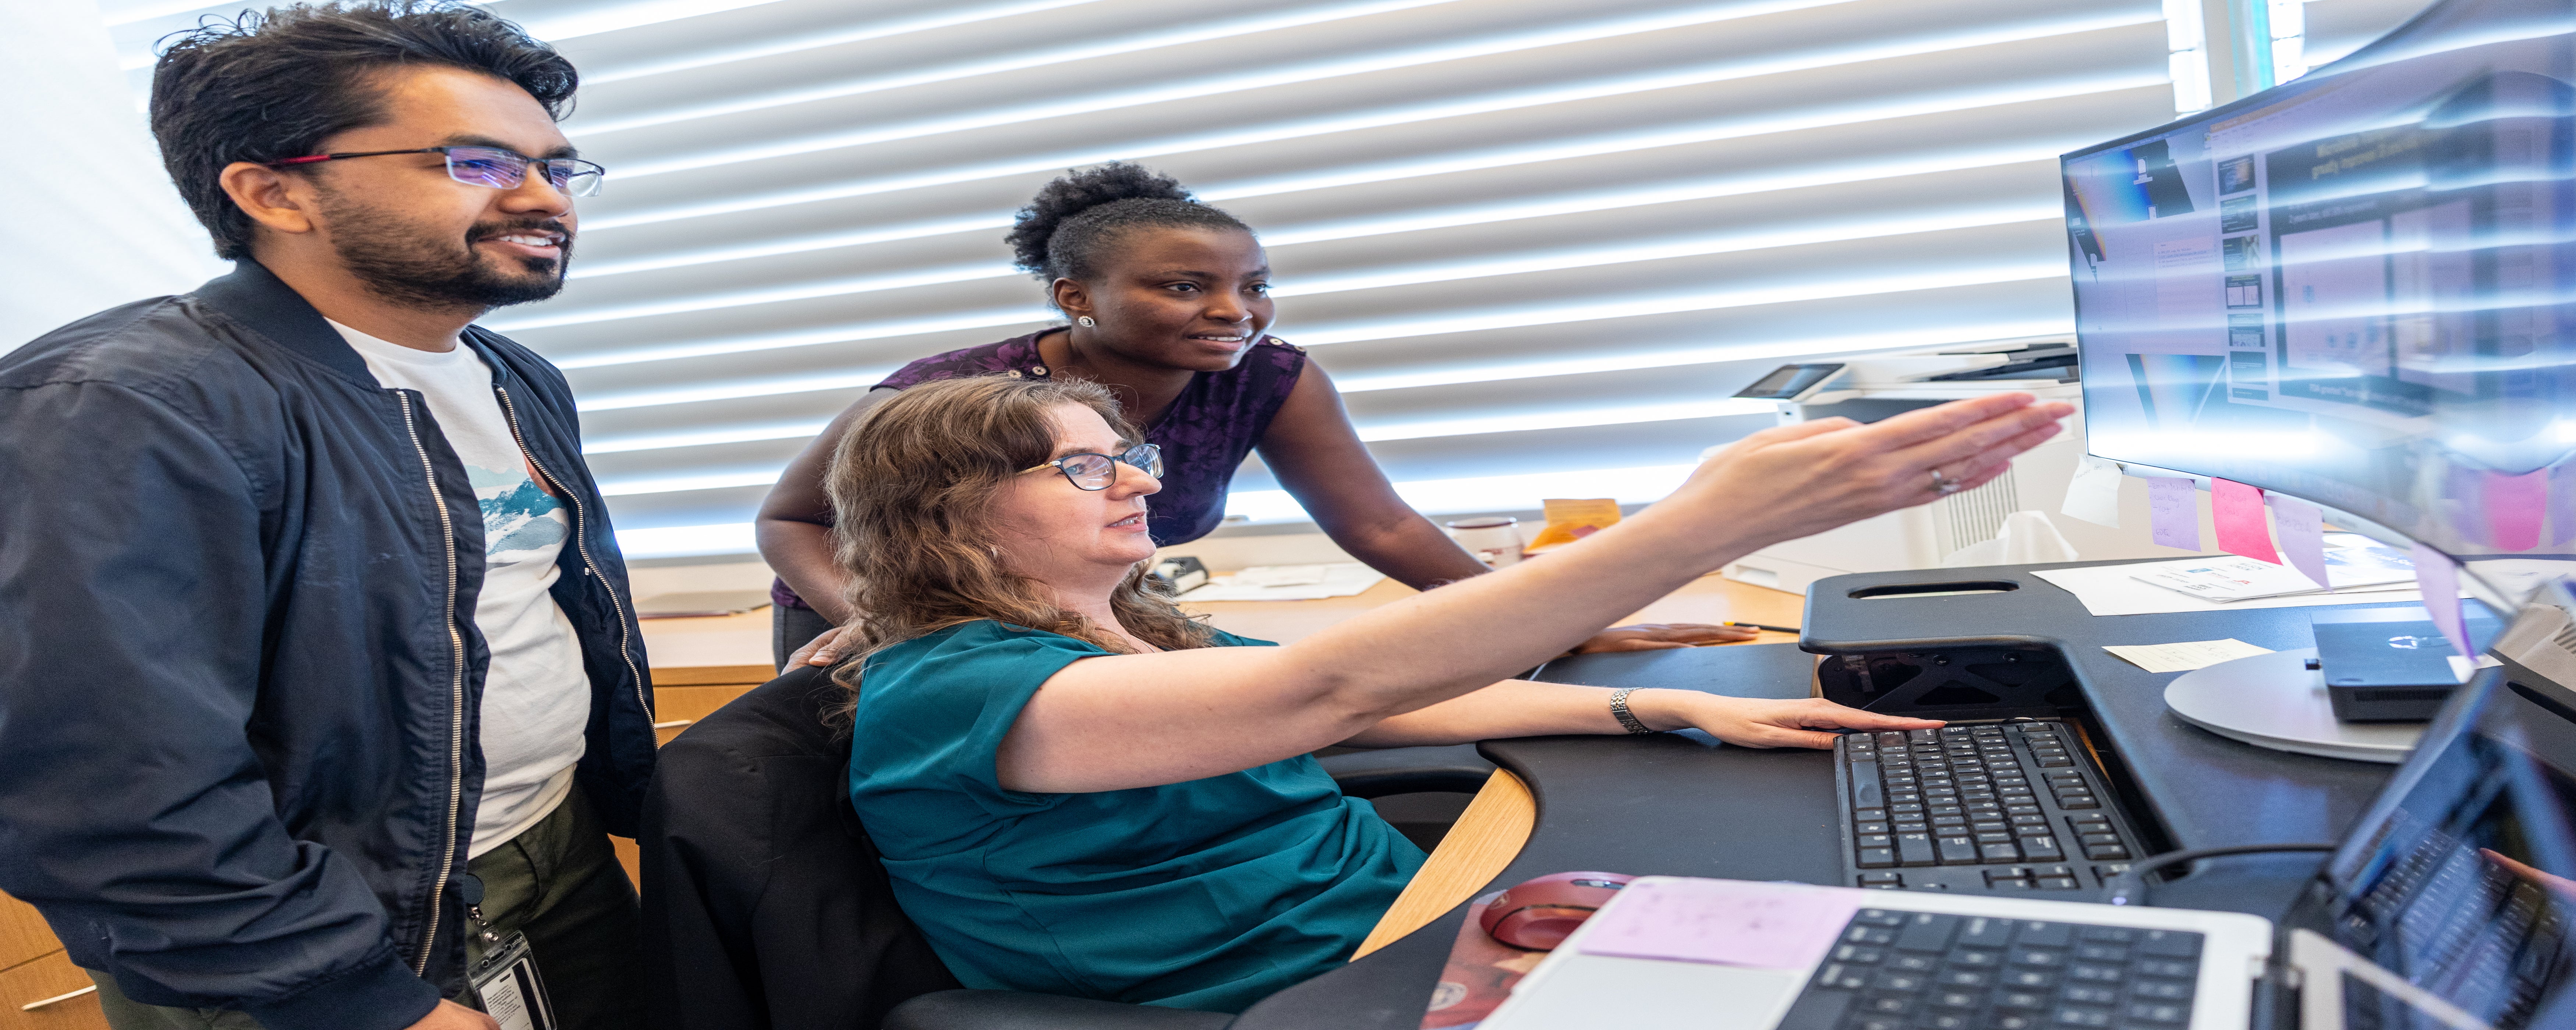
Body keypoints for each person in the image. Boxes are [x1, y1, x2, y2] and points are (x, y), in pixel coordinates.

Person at [825, 374, 2071, 1012]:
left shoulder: (1137, 631)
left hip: (1398, 922)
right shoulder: (954, 689)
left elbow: (1370, 706)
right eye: (1087, 469)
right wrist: (1696, 526)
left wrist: (1658, 708)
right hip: (1298, 994)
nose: (1140, 485)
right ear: (950, 514)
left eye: (1131, 458)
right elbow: (1327, 690)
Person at [0, 6, 654, 1030]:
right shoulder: (126, 409)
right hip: (310, 928)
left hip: (546, 850)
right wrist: (346, 993)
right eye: (478, 163)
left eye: (559, 169)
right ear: (273, 193)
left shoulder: (516, 376)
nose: (543, 198)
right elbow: (111, 782)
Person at [756, 162, 1751, 668]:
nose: (1235, 312)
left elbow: (1382, 526)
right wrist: (880, 622)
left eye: (1255, 286)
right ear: (1075, 299)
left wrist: (1550, 623)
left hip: (1062, 630)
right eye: (1188, 287)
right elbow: (790, 519)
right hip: (878, 627)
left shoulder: (1267, 377)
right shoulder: (955, 393)